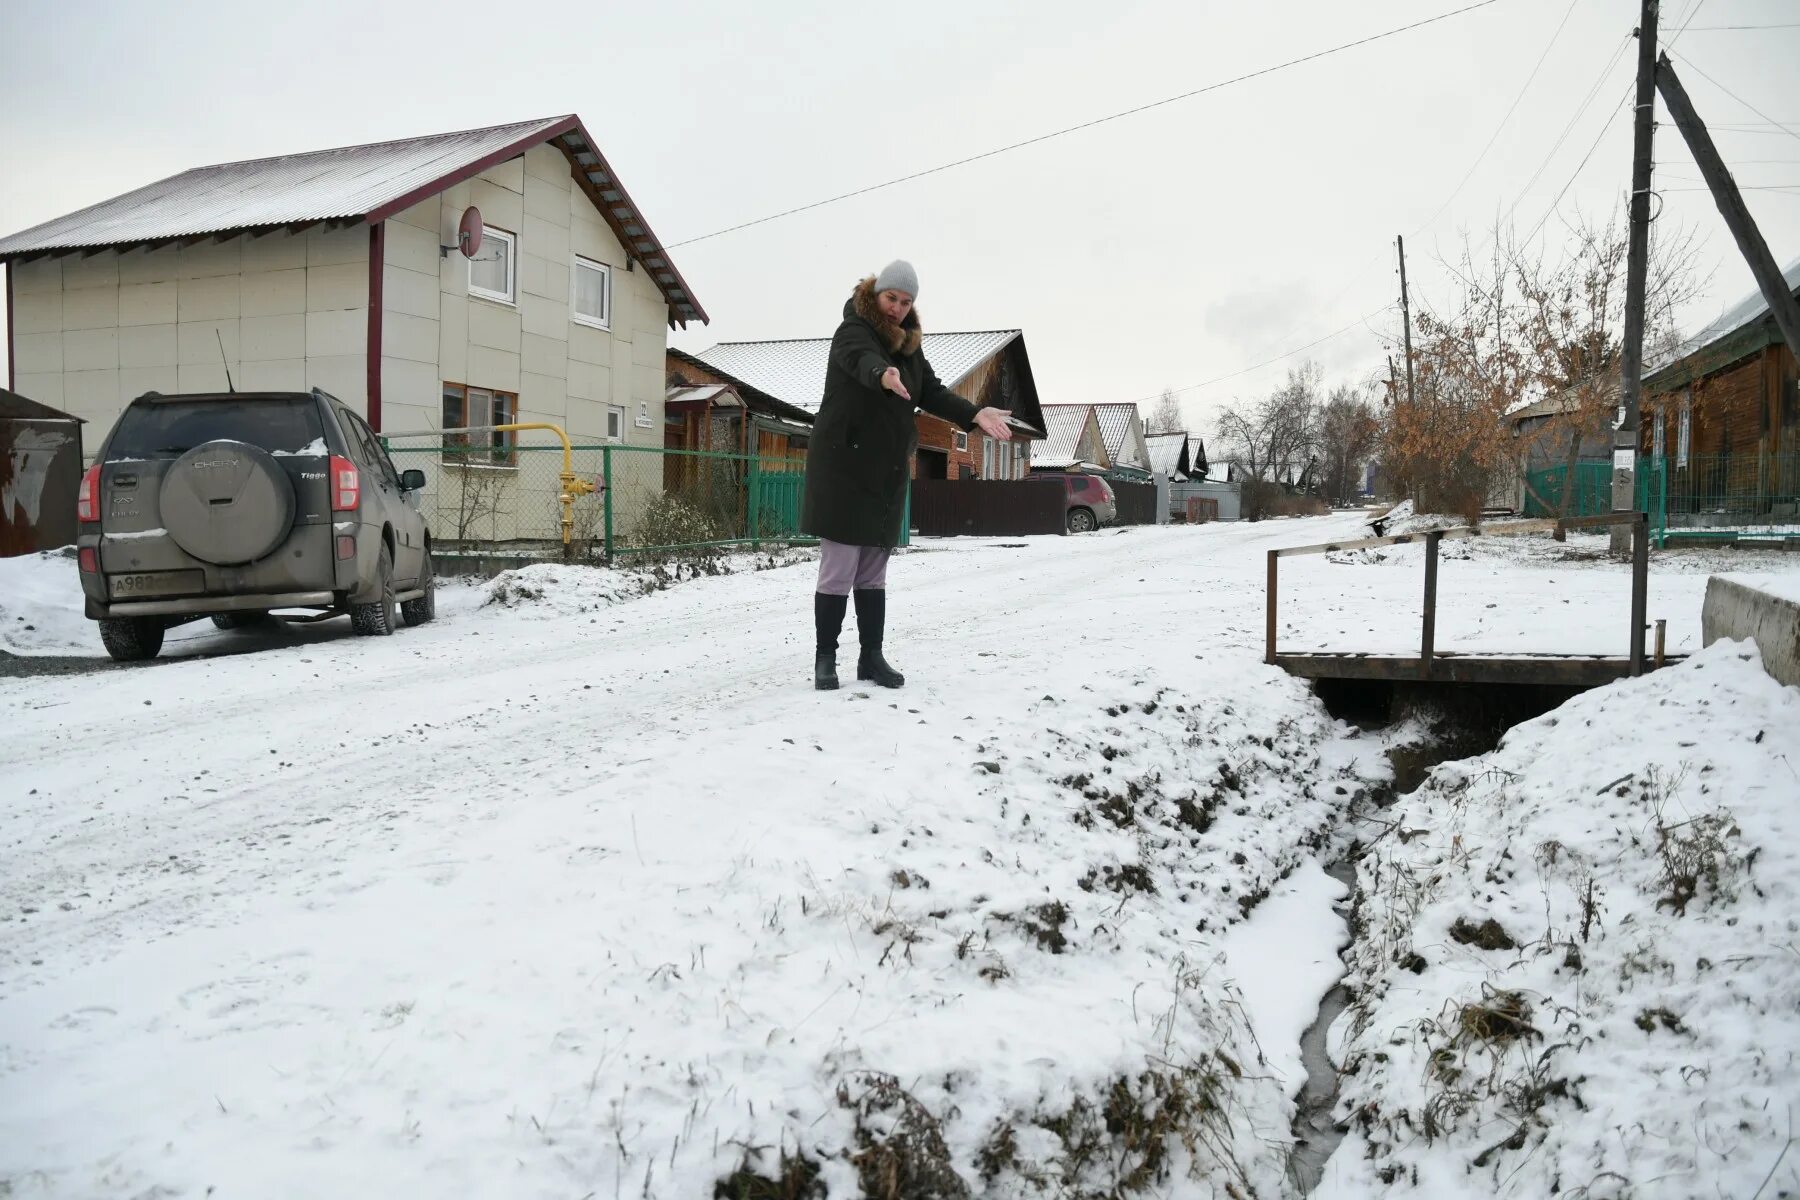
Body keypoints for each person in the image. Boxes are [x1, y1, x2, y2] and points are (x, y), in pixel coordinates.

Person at [801, 260, 1014, 690]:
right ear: (876, 295)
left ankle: (871, 658)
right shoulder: (853, 331)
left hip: (885, 471)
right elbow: (860, 360)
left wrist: (975, 413)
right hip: (844, 469)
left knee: (873, 572)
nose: (897, 307)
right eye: (891, 298)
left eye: (906, 301)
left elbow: (932, 392)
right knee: (839, 569)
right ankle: (826, 659)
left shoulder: (911, 349)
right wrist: (882, 374)